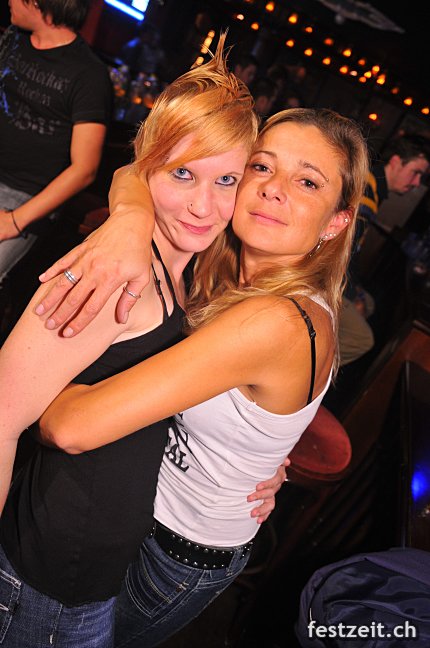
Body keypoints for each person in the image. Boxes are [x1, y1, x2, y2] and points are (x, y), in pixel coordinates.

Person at [35, 106, 369, 647]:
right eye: (262, 167)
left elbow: (69, 427)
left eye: (307, 181)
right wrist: (130, 220)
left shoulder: (277, 320)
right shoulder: (224, 265)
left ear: (336, 221)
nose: (274, 189)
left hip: (170, 553)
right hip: (146, 511)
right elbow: (133, 172)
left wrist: (41, 371)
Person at [0, 37, 285, 648]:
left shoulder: (189, 275)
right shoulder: (116, 275)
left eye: (227, 179)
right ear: (150, 165)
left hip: (89, 580)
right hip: (45, 587)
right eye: (183, 174)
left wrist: (259, 463)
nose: (204, 205)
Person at [0, 0, 112, 290]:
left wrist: (14, 221)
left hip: (23, 199)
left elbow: (84, 169)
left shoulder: (89, 75)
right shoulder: (14, 38)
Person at [339, 133, 430, 366]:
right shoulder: (367, 191)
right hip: (323, 272)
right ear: (396, 162)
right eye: (416, 172)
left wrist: (358, 293)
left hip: (335, 268)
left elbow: (352, 249)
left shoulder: (373, 184)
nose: (417, 183)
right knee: (362, 339)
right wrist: (353, 295)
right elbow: (342, 252)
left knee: (370, 303)